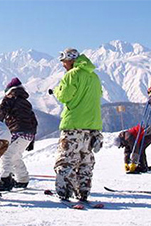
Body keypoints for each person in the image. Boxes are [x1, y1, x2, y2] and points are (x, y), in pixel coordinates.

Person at [48, 48, 103, 201]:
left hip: (73, 124)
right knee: (85, 160)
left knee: (66, 159)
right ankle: (83, 191)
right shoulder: (94, 77)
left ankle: (64, 192)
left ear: (71, 60)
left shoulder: (72, 74)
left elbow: (65, 96)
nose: (63, 65)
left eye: (64, 61)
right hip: (92, 126)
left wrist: (57, 91)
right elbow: (98, 96)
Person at [0, 77, 38, 191]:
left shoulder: (9, 98)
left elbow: (1, 114)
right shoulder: (26, 102)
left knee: (6, 154)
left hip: (16, 131)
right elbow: (34, 121)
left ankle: (5, 180)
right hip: (29, 134)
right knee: (15, 156)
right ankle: (22, 179)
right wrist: (31, 140)